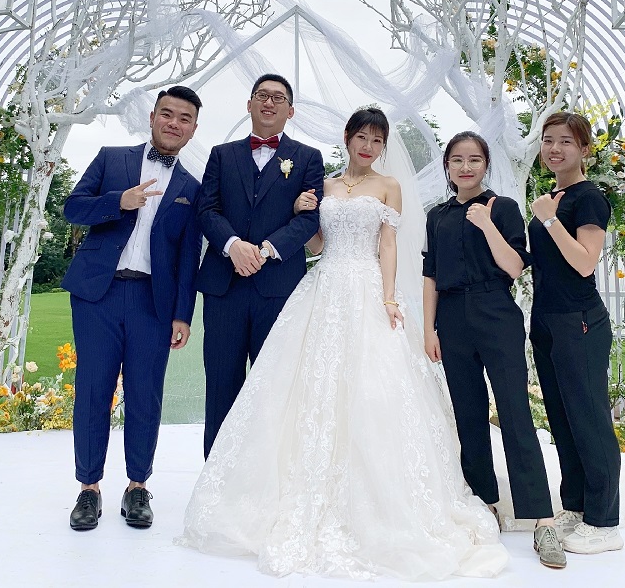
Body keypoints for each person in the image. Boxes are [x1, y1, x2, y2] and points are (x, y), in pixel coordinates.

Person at [178, 107, 510, 580]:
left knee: (372, 391)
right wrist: (303, 215)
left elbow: (388, 245)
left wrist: (389, 297)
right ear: (348, 138)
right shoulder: (326, 186)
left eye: (377, 140)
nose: (369, 147)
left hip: (367, 288)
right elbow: (317, 245)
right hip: (325, 286)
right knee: (306, 388)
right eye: (362, 138)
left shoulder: (388, 186)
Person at [61, 86, 203, 532]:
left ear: (192, 129)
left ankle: (138, 486)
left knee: (145, 395)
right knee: (93, 391)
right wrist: (117, 202)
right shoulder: (111, 159)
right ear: (153, 117)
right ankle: (88, 489)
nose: (174, 123)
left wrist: (182, 314)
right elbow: (72, 208)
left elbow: (188, 257)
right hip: (97, 295)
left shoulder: (191, 188)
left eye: (184, 118)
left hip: (152, 303)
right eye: (167, 114)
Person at [422, 131, 564, 569]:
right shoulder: (437, 215)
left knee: (515, 412)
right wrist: (428, 328)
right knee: (468, 414)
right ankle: (485, 504)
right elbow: (430, 274)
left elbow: (515, 266)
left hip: (496, 312)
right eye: (457, 160)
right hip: (451, 318)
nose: (466, 167)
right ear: (447, 166)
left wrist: (485, 224)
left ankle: (542, 520)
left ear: (486, 165)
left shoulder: (502, 207)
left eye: (475, 160)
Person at [195, 74, 324, 458]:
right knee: (221, 385)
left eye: (278, 98)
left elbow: (309, 220)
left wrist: (265, 250)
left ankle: (268, 476)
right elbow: (206, 209)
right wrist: (233, 245)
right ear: (249, 104)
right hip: (224, 289)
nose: (269, 102)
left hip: (279, 290)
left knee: (274, 388)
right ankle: (216, 478)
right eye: (262, 96)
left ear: (290, 111)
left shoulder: (308, 158)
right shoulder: (221, 154)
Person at [527, 111, 623, 555]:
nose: (555, 149)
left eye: (566, 141)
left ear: (584, 149)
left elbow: (585, 262)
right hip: (546, 318)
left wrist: (549, 220)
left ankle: (604, 522)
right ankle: (577, 506)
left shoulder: (588, 198)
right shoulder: (551, 197)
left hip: (578, 320)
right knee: (563, 418)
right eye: (548, 140)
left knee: (589, 418)